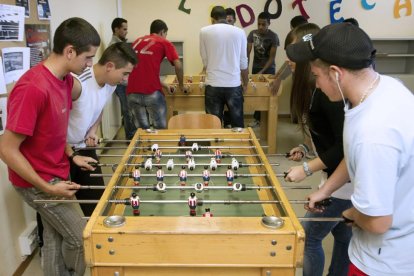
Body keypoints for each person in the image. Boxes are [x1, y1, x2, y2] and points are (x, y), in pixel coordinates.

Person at [287, 22, 414, 275]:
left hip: (382, 262)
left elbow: (377, 222)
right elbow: (351, 153)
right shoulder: (385, 87)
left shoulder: (374, 132)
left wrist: (350, 212)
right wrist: (326, 190)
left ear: (335, 73)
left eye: (317, 75)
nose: (317, 84)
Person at [0, 17, 100, 276]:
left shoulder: (65, 80)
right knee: (80, 238)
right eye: (87, 57)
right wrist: (47, 187)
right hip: (38, 182)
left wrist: (71, 154)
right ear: (69, 51)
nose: (90, 64)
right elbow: (7, 149)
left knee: (56, 238)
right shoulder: (33, 88)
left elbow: (50, 132)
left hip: (56, 171)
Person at [284, 23, 352, 276]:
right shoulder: (316, 90)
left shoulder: (330, 95)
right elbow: (327, 136)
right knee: (343, 237)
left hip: (345, 183)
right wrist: (305, 147)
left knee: (308, 237)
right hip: (338, 179)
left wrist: (306, 168)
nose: (288, 60)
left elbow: (344, 149)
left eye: (293, 54)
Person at [68, 42, 137, 216]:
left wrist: (93, 130)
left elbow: (98, 108)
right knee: (57, 211)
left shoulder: (110, 83)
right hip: (61, 153)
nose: (126, 79)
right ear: (110, 66)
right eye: (125, 73)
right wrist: (71, 154)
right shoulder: (76, 84)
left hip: (84, 148)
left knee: (98, 208)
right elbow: (52, 124)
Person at [127, 19, 184, 130]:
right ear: (162, 32)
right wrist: (181, 85)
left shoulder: (136, 42)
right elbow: (178, 66)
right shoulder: (164, 42)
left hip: (132, 93)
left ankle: (145, 147)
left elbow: (145, 73)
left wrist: (165, 85)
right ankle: (159, 147)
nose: (166, 37)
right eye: (166, 34)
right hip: (152, 93)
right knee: (160, 131)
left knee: (142, 132)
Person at [200, 6, 248, 127]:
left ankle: (214, 145)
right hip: (233, 84)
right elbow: (243, 62)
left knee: (213, 124)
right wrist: (246, 83)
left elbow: (205, 61)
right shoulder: (240, 32)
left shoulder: (204, 31)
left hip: (213, 84)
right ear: (225, 17)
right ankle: (238, 145)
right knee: (237, 124)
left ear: (212, 19)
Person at [247, 11, 279, 128]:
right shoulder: (252, 34)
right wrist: (245, 69)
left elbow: (272, 58)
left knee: (269, 95)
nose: (260, 27)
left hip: (269, 70)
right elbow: (247, 53)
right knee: (257, 95)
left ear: (269, 24)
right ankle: (257, 119)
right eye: (259, 24)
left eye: (263, 24)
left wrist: (263, 71)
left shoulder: (273, 36)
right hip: (256, 67)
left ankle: (268, 121)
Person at [109, 17, 135, 139]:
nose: (126, 31)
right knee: (127, 110)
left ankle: (132, 135)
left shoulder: (120, 44)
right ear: (116, 29)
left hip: (125, 82)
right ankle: (130, 137)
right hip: (121, 83)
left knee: (130, 110)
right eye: (124, 29)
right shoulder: (115, 46)